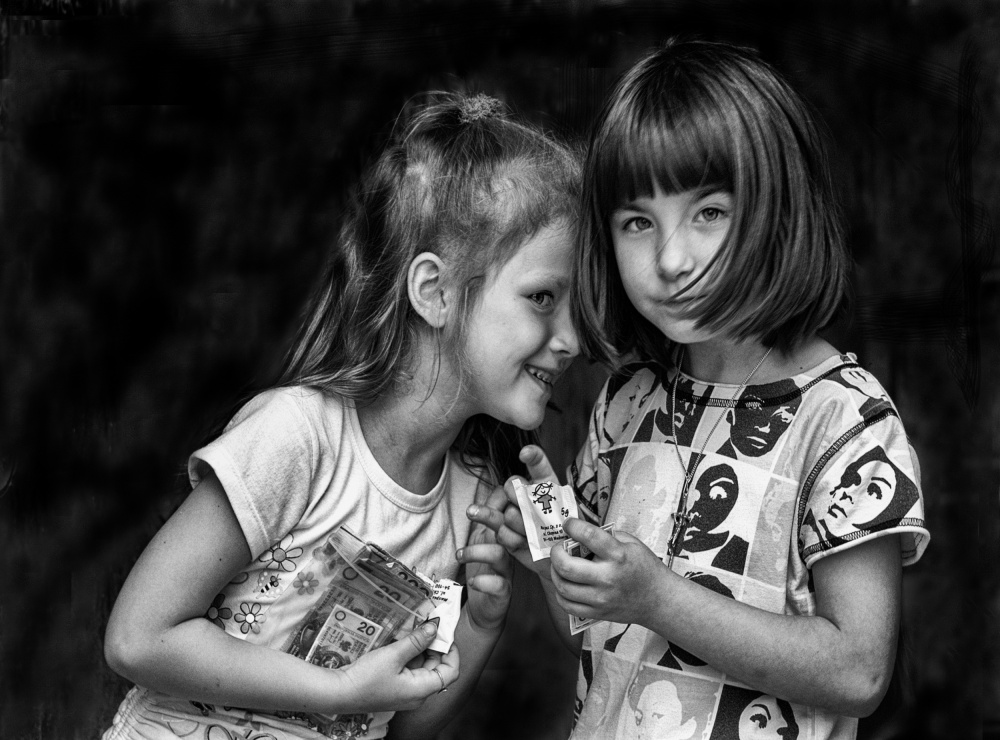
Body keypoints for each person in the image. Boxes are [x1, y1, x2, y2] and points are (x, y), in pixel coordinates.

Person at [471, 39, 930, 739]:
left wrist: (658, 597)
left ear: (779, 208)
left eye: (709, 212)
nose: (671, 258)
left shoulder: (844, 419)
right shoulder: (627, 401)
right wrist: (552, 556)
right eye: (637, 222)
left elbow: (860, 673)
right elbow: (604, 641)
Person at [101, 92, 581, 740]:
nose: (572, 339)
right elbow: (137, 639)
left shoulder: (473, 501)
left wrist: (479, 624)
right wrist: (334, 689)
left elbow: (395, 724)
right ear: (434, 293)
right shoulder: (297, 437)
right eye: (544, 297)